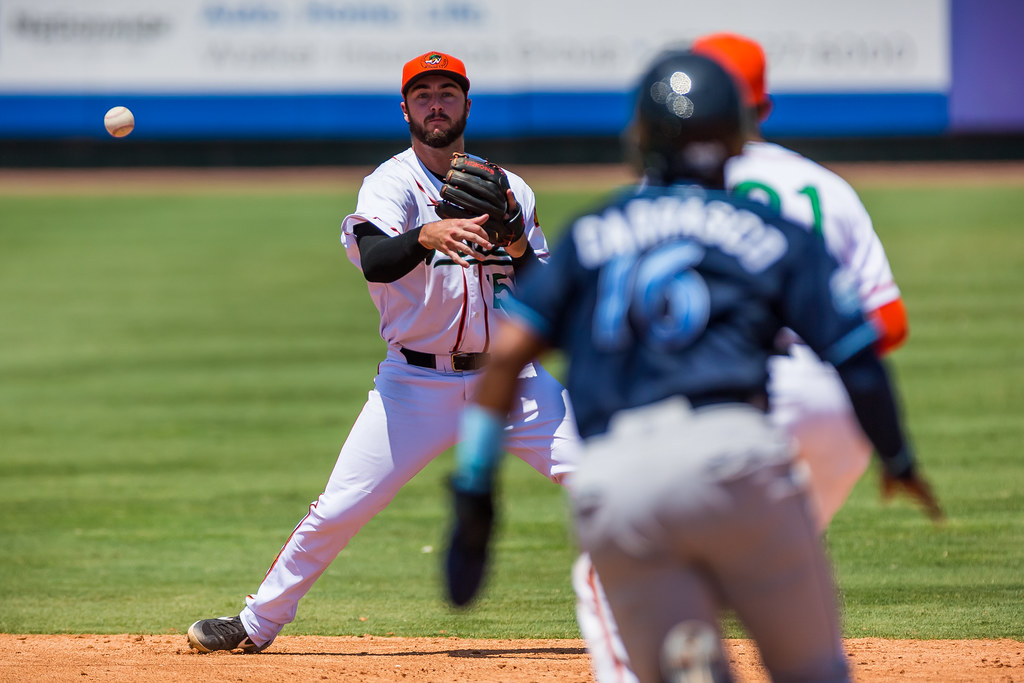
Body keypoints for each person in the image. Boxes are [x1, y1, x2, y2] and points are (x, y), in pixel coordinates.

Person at [445, 50, 941, 683]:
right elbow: (857, 358)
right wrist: (898, 459)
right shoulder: (771, 231)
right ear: (737, 137)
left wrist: (475, 495)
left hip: (620, 483)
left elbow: (508, 357)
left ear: (642, 140)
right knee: (814, 669)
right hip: (738, 464)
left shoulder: (598, 229)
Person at [186, 50, 580, 654]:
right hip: (415, 385)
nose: (436, 104)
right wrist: (425, 234)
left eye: (448, 92)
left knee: (607, 481)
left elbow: (546, 297)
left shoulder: (511, 189)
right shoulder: (390, 183)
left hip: (512, 382)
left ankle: (684, 604)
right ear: (406, 109)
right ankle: (256, 623)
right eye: (423, 95)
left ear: (466, 105)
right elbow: (374, 258)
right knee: (340, 507)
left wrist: (520, 244)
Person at [572, 33, 922, 683]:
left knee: (630, 565)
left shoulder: (668, 192)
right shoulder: (824, 185)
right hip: (836, 406)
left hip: (726, 398)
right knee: (765, 558)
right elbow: (888, 323)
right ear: (756, 101)